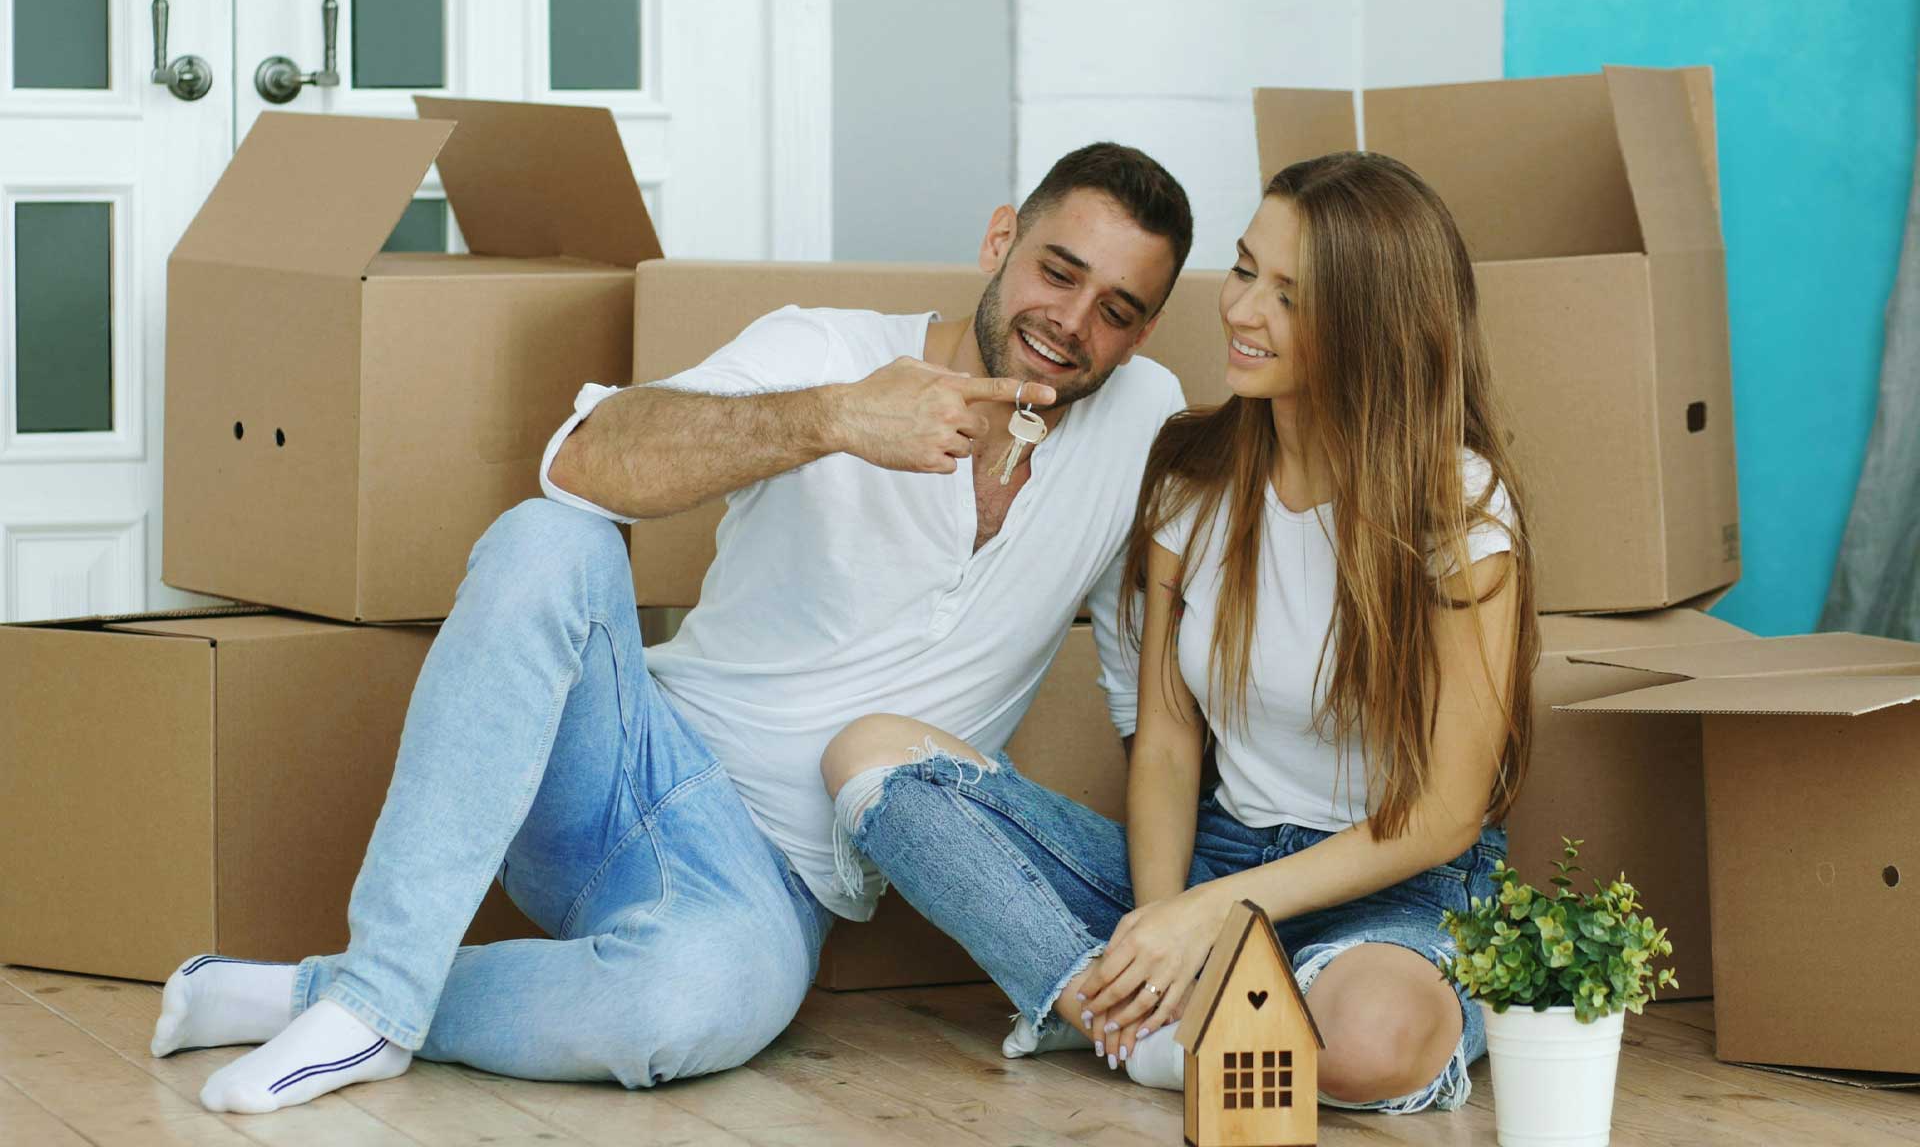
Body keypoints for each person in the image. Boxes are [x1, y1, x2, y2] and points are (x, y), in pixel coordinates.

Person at [147, 143, 1193, 1114]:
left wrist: (1165, 921)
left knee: (680, 1012)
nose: (1072, 321)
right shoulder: (825, 346)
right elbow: (584, 458)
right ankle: (374, 994)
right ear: (999, 240)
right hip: (625, 762)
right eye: (1057, 272)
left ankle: (296, 995)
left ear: (1143, 331)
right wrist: (832, 418)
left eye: (1116, 308)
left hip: (771, 885)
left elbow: (1145, 693)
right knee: (550, 539)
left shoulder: (1144, 422)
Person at [824, 150, 1537, 1114]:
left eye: (1290, 296)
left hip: (1397, 889)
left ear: (1372, 326)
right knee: (874, 758)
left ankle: (1135, 1025)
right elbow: (1165, 741)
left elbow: (1447, 812)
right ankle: (1177, 1028)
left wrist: (1217, 917)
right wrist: (1167, 918)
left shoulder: (1458, 506)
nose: (1242, 312)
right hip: (1214, 857)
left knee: (1371, 1039)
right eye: (1246, 270)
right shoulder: (1192, 477)